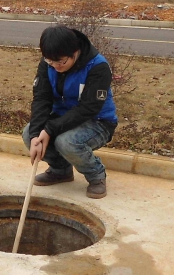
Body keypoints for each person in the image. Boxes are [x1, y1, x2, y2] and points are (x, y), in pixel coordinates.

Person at [22, 25, 117, 199]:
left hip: (98, 121)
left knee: (67, 142)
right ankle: (61, 170)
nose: (55, 66)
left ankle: (96, 175)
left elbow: (89, 108)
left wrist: (50, 130)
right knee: (29, 134)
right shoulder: (47, 63)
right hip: (61, 117)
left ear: (75, 52)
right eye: (51, 62)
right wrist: (37, 133)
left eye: (61, 62)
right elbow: (42, 99)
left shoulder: (98, 67)